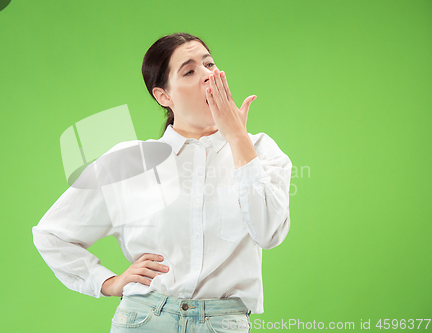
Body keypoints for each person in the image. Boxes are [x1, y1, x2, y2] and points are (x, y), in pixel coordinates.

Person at [32, 32, 292, 333]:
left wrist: (237, 138)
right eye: (190, 71)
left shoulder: (258, 149)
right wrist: (107, 282)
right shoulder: (130, 162)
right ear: (163, 96)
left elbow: (270, 233)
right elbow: (52, 234)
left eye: (209, 64)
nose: (207, 75)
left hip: (222, 323)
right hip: (144, 320)